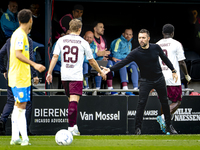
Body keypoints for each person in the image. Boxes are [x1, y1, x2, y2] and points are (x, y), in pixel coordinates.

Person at [101, 29, 178, 135]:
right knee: (141, 104)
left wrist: (173, 70)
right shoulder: (135, 52)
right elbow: (123, 62)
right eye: (139, 38)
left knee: (165, 103)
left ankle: (169, 127)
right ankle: (137, 129)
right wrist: (109, 69)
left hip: (159, 79)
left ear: (148, 38)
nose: (141, 40)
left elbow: (165, 58)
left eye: (143, 38)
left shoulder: (155, 47)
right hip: (146, 81)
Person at [46, 19, 106, 135]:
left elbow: (54, 56)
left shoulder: (61, 40)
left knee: (71, 101)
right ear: (80, 29)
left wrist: (49, 72)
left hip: (64, 75)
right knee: (73, 102)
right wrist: (101, 71)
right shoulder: (83, 42)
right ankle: (71, 128)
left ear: (70, 27)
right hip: (76, 75)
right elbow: (92, 61)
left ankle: (74, 126)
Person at [8, 9, 45, 146]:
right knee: (22, 106)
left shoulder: (18, 34)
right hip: (19, 77)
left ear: (19, 20)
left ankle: (14, 137)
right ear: (31, 20)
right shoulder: (20, 35)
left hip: (19, 76)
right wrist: (34, 64)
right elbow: (18, 54)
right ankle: (24, 139)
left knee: (17, 106)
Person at [156, 24, 191, 133]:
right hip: (172, 78)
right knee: (177, 101)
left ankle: (166, 128)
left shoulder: (157, 44)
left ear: (162, 33)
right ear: (172, 33)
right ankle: (162, 118)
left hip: (160, 78)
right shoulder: (177, 44)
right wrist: (186, 75)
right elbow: (181, 62)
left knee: (164, 102)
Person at [0, 37, 39, 135]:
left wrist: (4, 70)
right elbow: (30, 57)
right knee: (27, 102)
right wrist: (34, 74)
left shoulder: (10, 39)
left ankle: (2, 121)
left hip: (11, 75)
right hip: (22, 75)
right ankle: (25, 129)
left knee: (10, 101)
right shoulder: (27, 40)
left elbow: (1, 53)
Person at [107, 28, 139, 95]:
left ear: (132, 36)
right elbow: (115, 55)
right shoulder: (118, 41)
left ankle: (135, 88)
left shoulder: (129, 43)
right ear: (123, 34)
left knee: (133, 65)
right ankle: (125, 88)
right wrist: (128, 58)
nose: (128, 36)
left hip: (125, 61)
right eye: (126, 34)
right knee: (122, 64)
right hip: (116, 62)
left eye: (130, 35)